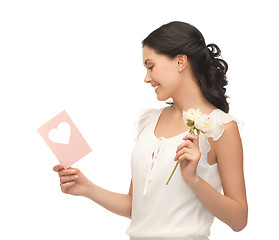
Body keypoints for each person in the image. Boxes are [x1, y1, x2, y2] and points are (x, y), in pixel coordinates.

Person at [53, 21, 248, 240]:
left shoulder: (221, 127)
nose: (146, 78)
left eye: (150, 66)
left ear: (180, 62)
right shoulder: (148, 121)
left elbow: (239, 220)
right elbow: (136, 207)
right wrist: (87, 188)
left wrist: (194, 179)